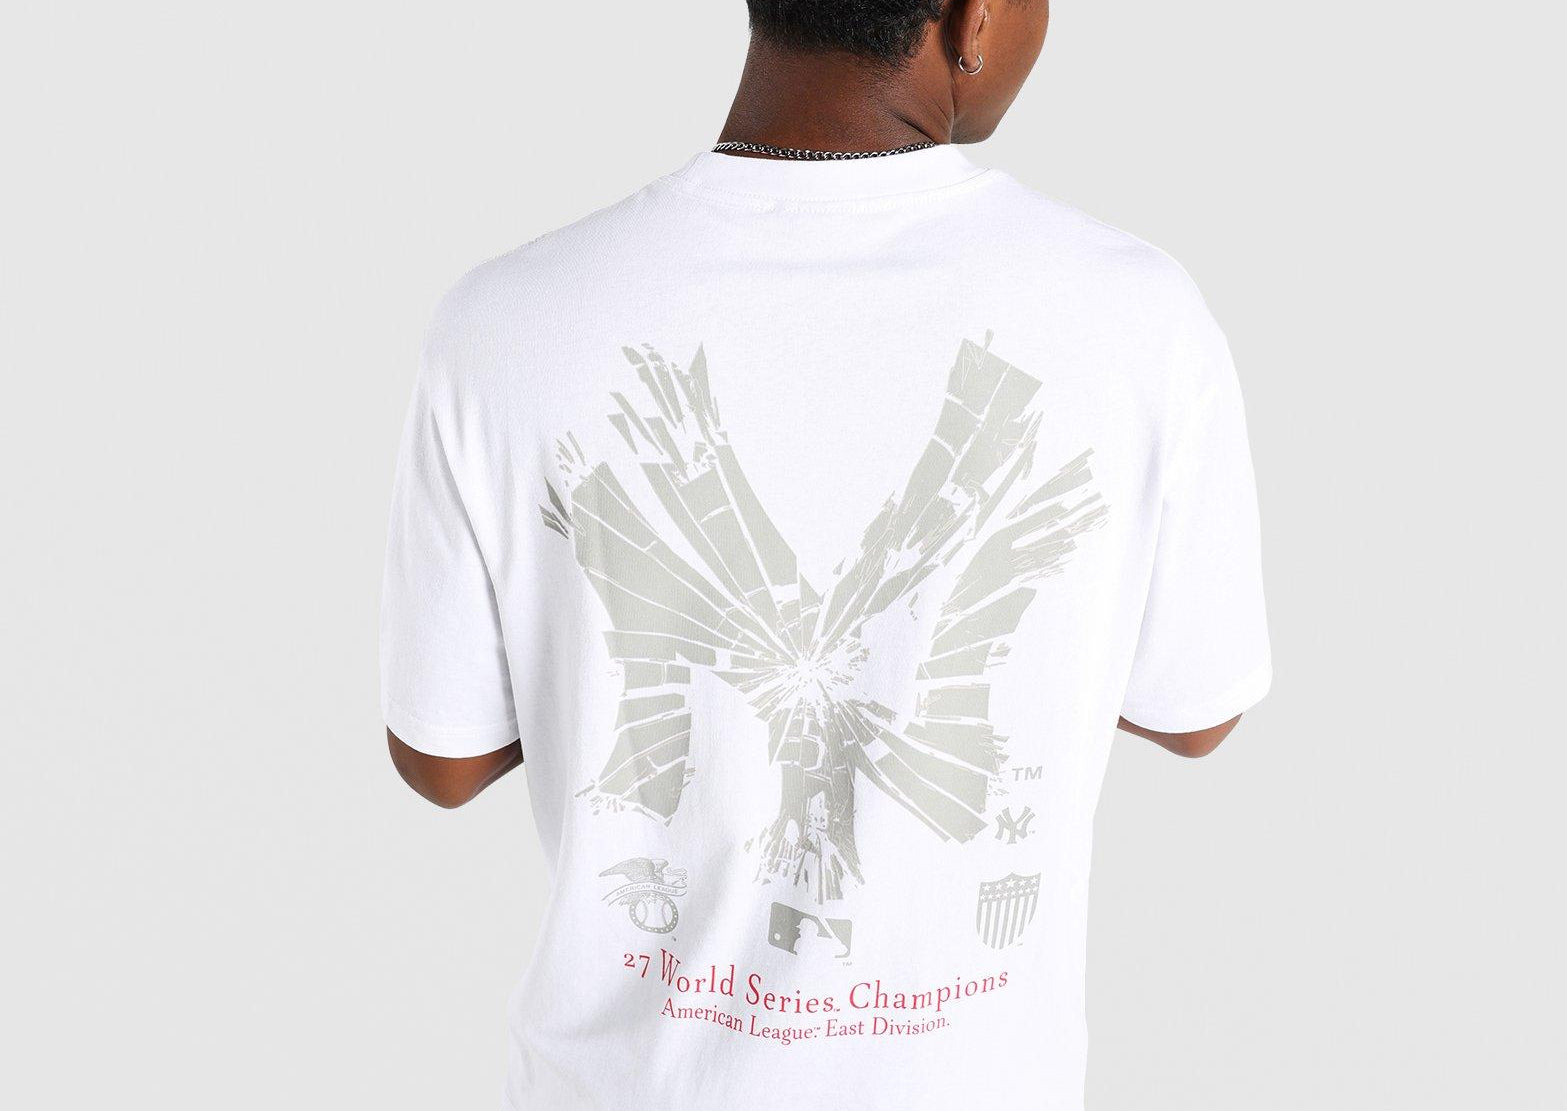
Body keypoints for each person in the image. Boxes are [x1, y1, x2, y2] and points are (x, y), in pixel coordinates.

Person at [380, 1, 1271, 1107]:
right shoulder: (1136, 314)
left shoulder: (506, 320)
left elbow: (444, 759)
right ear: (973, 17)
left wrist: (627, 635)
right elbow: (1194, 712)